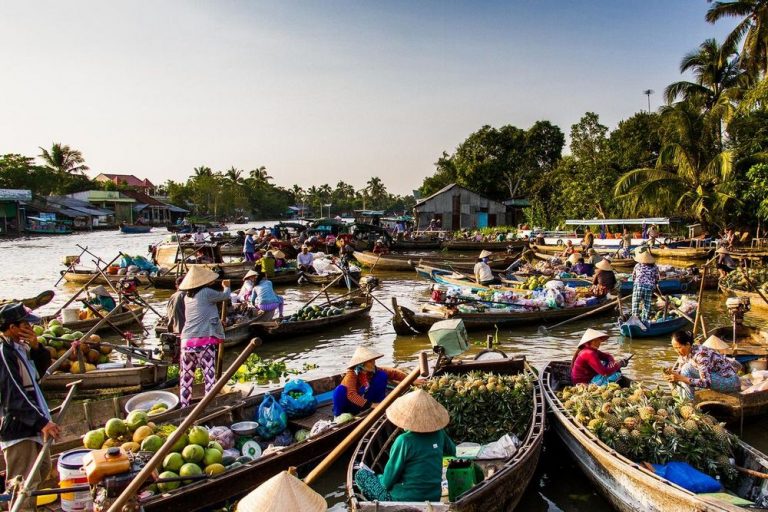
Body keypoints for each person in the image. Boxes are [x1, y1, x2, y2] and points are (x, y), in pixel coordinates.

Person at [0, 303, 59, 512]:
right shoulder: (4, 352)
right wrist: (42, 422)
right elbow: (14, 395)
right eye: (25, 325)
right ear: (13, 328)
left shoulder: (21, 349)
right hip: (20, 427)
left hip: (32, 423)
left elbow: (38, 376)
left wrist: (36, 347)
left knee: (42, 472)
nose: (30, 328)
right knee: (23, 487)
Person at [353, 389, 456, 503]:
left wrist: (379, 477)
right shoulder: (439, 433)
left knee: (361, 475)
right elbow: (452, 451)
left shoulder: (404, 441)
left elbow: (387, 483)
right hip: (434, 497)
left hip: (403, 500)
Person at [178, 267, 231, 407]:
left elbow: (201, 315)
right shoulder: (206, 292)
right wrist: (226, 287)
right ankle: (209, 405)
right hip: (203, 342)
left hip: (186, 342)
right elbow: (226, 296)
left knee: (186, 377)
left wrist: (218, 322)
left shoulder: (187, 297)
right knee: (209, 376)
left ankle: (184, 406)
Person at [333, 347, 410, 416]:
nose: (374, 363)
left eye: (373, 361)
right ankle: (338, 416)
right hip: (349, 404)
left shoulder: (372, 370)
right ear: (362, 364)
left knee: (382, 375)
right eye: (370, 361)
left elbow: (393, 373)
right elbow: (351, 395)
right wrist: (371, 405)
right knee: (340, 390)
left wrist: (410, 379)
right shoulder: (352, 373)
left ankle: (379, 405)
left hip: (364, 401)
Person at [664, 331, 740, 399]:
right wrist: (672, 374)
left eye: (679, 347)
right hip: (716, 377)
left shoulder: (701, 356)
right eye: (674, 348)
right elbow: (679, 371)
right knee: (684, 370)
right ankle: (685, 400)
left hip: (731, 383)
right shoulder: (685, 354)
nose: (677, 351)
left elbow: (706, 382)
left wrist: (681, 378)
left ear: (688, 344)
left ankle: (688, 402)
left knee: (686, 369)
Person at [630, 250, 659, 321]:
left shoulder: (637, 265)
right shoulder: (654, 267)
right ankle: (644, 320)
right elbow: (656, 278)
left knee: (635, 303)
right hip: (649, 287)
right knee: (647, 305)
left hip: (638, 285)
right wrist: (654, 285)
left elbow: (633, 277)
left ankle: (634, 319)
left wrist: (636, 284)